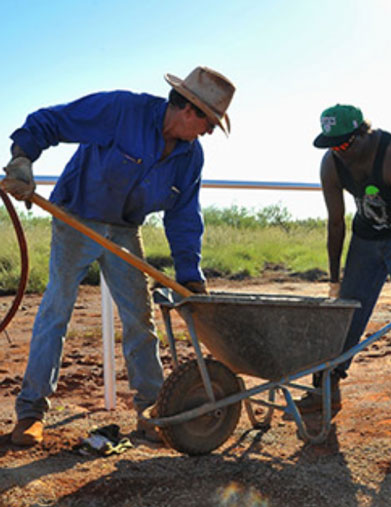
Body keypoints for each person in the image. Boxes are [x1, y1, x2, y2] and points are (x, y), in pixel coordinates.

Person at [2, 66, 235, 446]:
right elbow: (52, 121)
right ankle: (31, 413)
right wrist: (22, 158)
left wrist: (189, 274)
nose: (209, 132)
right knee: (55, 312)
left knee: (140, 321)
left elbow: (184, 216)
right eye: (209, 123)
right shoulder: (122, 110)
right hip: (76, 218)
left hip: (125, 231)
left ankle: (152, 411)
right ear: (190, 111)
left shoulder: (190, 157)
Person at [298, 104, 391, 428]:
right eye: (332, 145)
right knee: (346, 311)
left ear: (363, 133)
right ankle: (327, 384)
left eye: (345, 144)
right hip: (365, 238)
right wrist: (335, 279)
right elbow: (336, 224)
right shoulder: (332, 164)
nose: (340, 152)